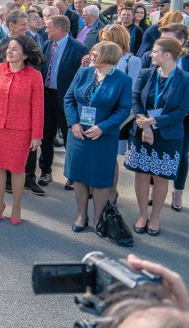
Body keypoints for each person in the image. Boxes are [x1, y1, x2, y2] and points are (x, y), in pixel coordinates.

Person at [125, 38, 189, 237]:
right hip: (141, 131)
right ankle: (142, 215)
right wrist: (144, 123)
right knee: (141, 175)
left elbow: (181, 112)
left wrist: (153, 123)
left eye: (155, 52)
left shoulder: (186, 79)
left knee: (161, 177)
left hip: (168, 135)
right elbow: (135, 99)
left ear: (167, 55)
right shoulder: (146, 73)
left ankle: (155, 217)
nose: (150, 55)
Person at [63, 41, 133, 234]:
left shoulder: (122, 80)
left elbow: (124, 109)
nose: (91, 54)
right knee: (79, 176)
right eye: (92, 51)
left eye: (96, 52)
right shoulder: (83, 72)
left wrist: (103, 127)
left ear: (108, 56)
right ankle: (81, 215)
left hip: (103, 136)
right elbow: (68, 99)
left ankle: (98, 219)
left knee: (101, 179)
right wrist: (73, 123)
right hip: (78, 134)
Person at [0, 35, 44, 225]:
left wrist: (37, 136)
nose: (9, 51)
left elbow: (38, 108)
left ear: (25, 55)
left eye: (15, 49)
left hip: (20, 129)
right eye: (9, 48)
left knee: (17, 169)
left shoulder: (34, 76)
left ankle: (16, 205)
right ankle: (0, 204)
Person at [37, 14, 87, 191]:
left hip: (66, 100)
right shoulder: (47, 44)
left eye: (48, 27)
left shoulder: (78, 48)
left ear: (58, 29)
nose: (46, 30)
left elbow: (83, 78)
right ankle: (45, 171)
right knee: (46, 136)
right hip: (46, 97)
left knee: (69, 138)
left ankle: (72, 174)